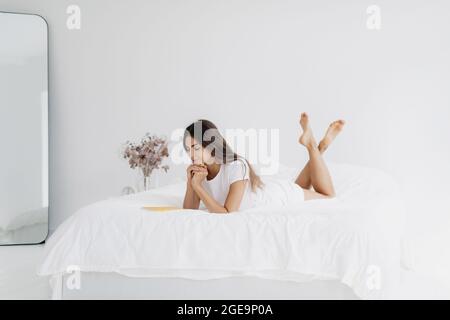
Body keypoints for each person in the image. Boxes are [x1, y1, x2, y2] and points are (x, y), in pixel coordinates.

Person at [182, 113, 345, 213]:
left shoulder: (235, 166)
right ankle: (319, 149)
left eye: (195, 147)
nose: (191, 154)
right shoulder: (199, 173)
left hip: (277, 196)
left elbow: (227, 213)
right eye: (187, 149)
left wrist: (197, 187)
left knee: (329, 197)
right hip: (273, 191)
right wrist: (192, 183)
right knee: (301, 188)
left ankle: (311, 145)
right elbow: (188, 212)